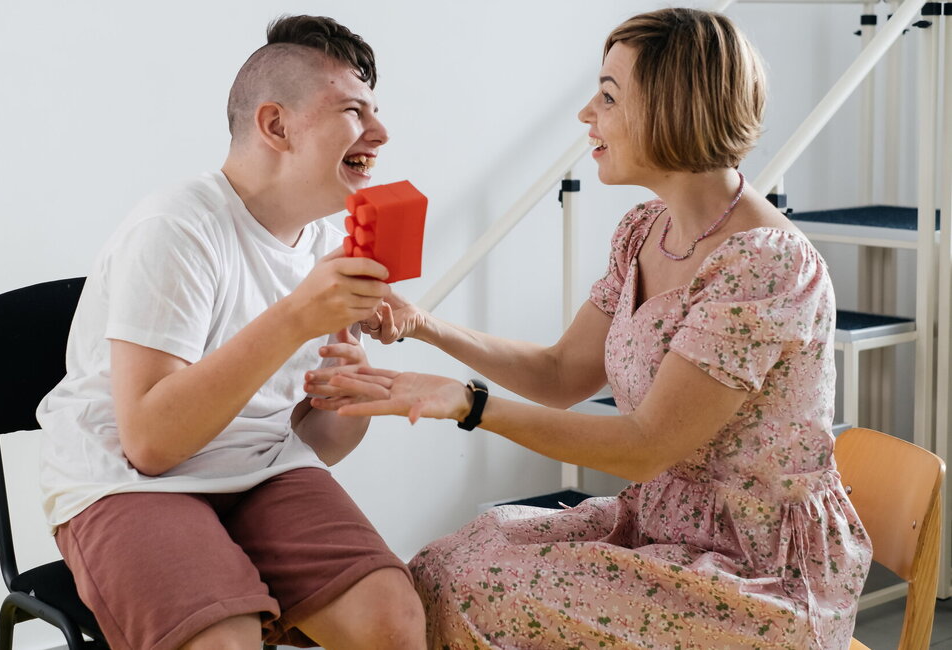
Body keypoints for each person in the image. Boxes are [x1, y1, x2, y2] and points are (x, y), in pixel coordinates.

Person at [306, 8, 871, 649]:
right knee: (454, 557)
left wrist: (464, 404)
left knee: (476, 582)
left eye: (607, 96)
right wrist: (424, 325)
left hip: (760, 574)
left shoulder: (767, 264)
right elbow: (560, 374)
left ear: (673, 106)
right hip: (665, 524)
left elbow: (644, 445)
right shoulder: (642, 231)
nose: (586, 115)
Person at [36, 15, 426, 650]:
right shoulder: (177, 230)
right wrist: (297, 315)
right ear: (275, 125)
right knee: (223, 640)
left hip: (262, 470)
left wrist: (350, 398)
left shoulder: (331, 245)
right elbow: (151, 445)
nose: (380, 134)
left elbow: (320, 443)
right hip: (131, 480)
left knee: (394, 621)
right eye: (355, 112)